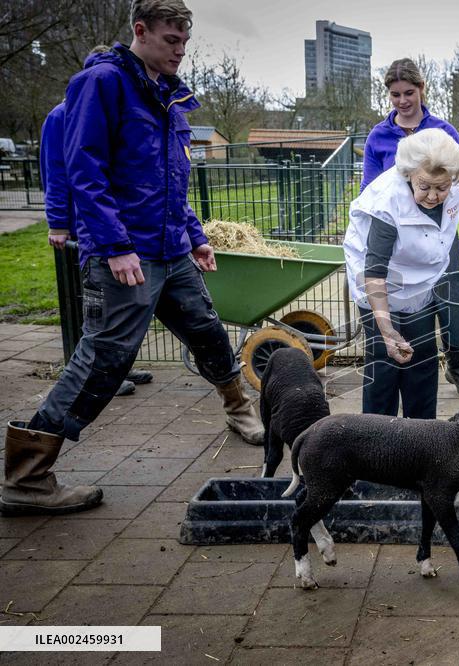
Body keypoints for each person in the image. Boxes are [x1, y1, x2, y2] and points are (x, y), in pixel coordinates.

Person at [1, 0, 263, 517]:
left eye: (185, 41)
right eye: (171, 40)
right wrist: (115, 246)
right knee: (103, 359)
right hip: (125, 254)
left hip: (171, 249)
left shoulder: (165, 95)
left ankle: (239, 408)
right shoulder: (102, 84)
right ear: (140, 31)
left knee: (207, 330)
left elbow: (171, 180)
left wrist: (194, 235)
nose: (180, 51)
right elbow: (84, 170)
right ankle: (26, 477)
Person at [362, 58, 459, 398]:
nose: (402, 100)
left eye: (408, 93)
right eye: (395, 94)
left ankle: (456, 365)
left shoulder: (444, 131)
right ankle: (405, 359)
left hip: (441, 233)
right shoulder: (378, 136)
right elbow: (369, 190)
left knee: (450, 301)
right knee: (408, 301)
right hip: (400, 238)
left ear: (421, 89)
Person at [39, 46, 154, 397]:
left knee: (120, 305)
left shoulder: (111, 108)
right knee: (95, 306)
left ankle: (117, 367)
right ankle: (92, 376)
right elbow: (58, 171)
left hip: (113, 224)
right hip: (85, 227)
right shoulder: (62, 115)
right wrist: (58, 223)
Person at [344, 128, 459, 419]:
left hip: (423, 275)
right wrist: (387, 330)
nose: (433, 196)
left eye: (441, 188)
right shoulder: (388, 203)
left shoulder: (456, 175)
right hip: (378, 282)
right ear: (409, 174)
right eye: (424, 186)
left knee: (422, 356)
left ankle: (422, 434)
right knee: (385, 360)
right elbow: (374, 273)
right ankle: (377, 433)